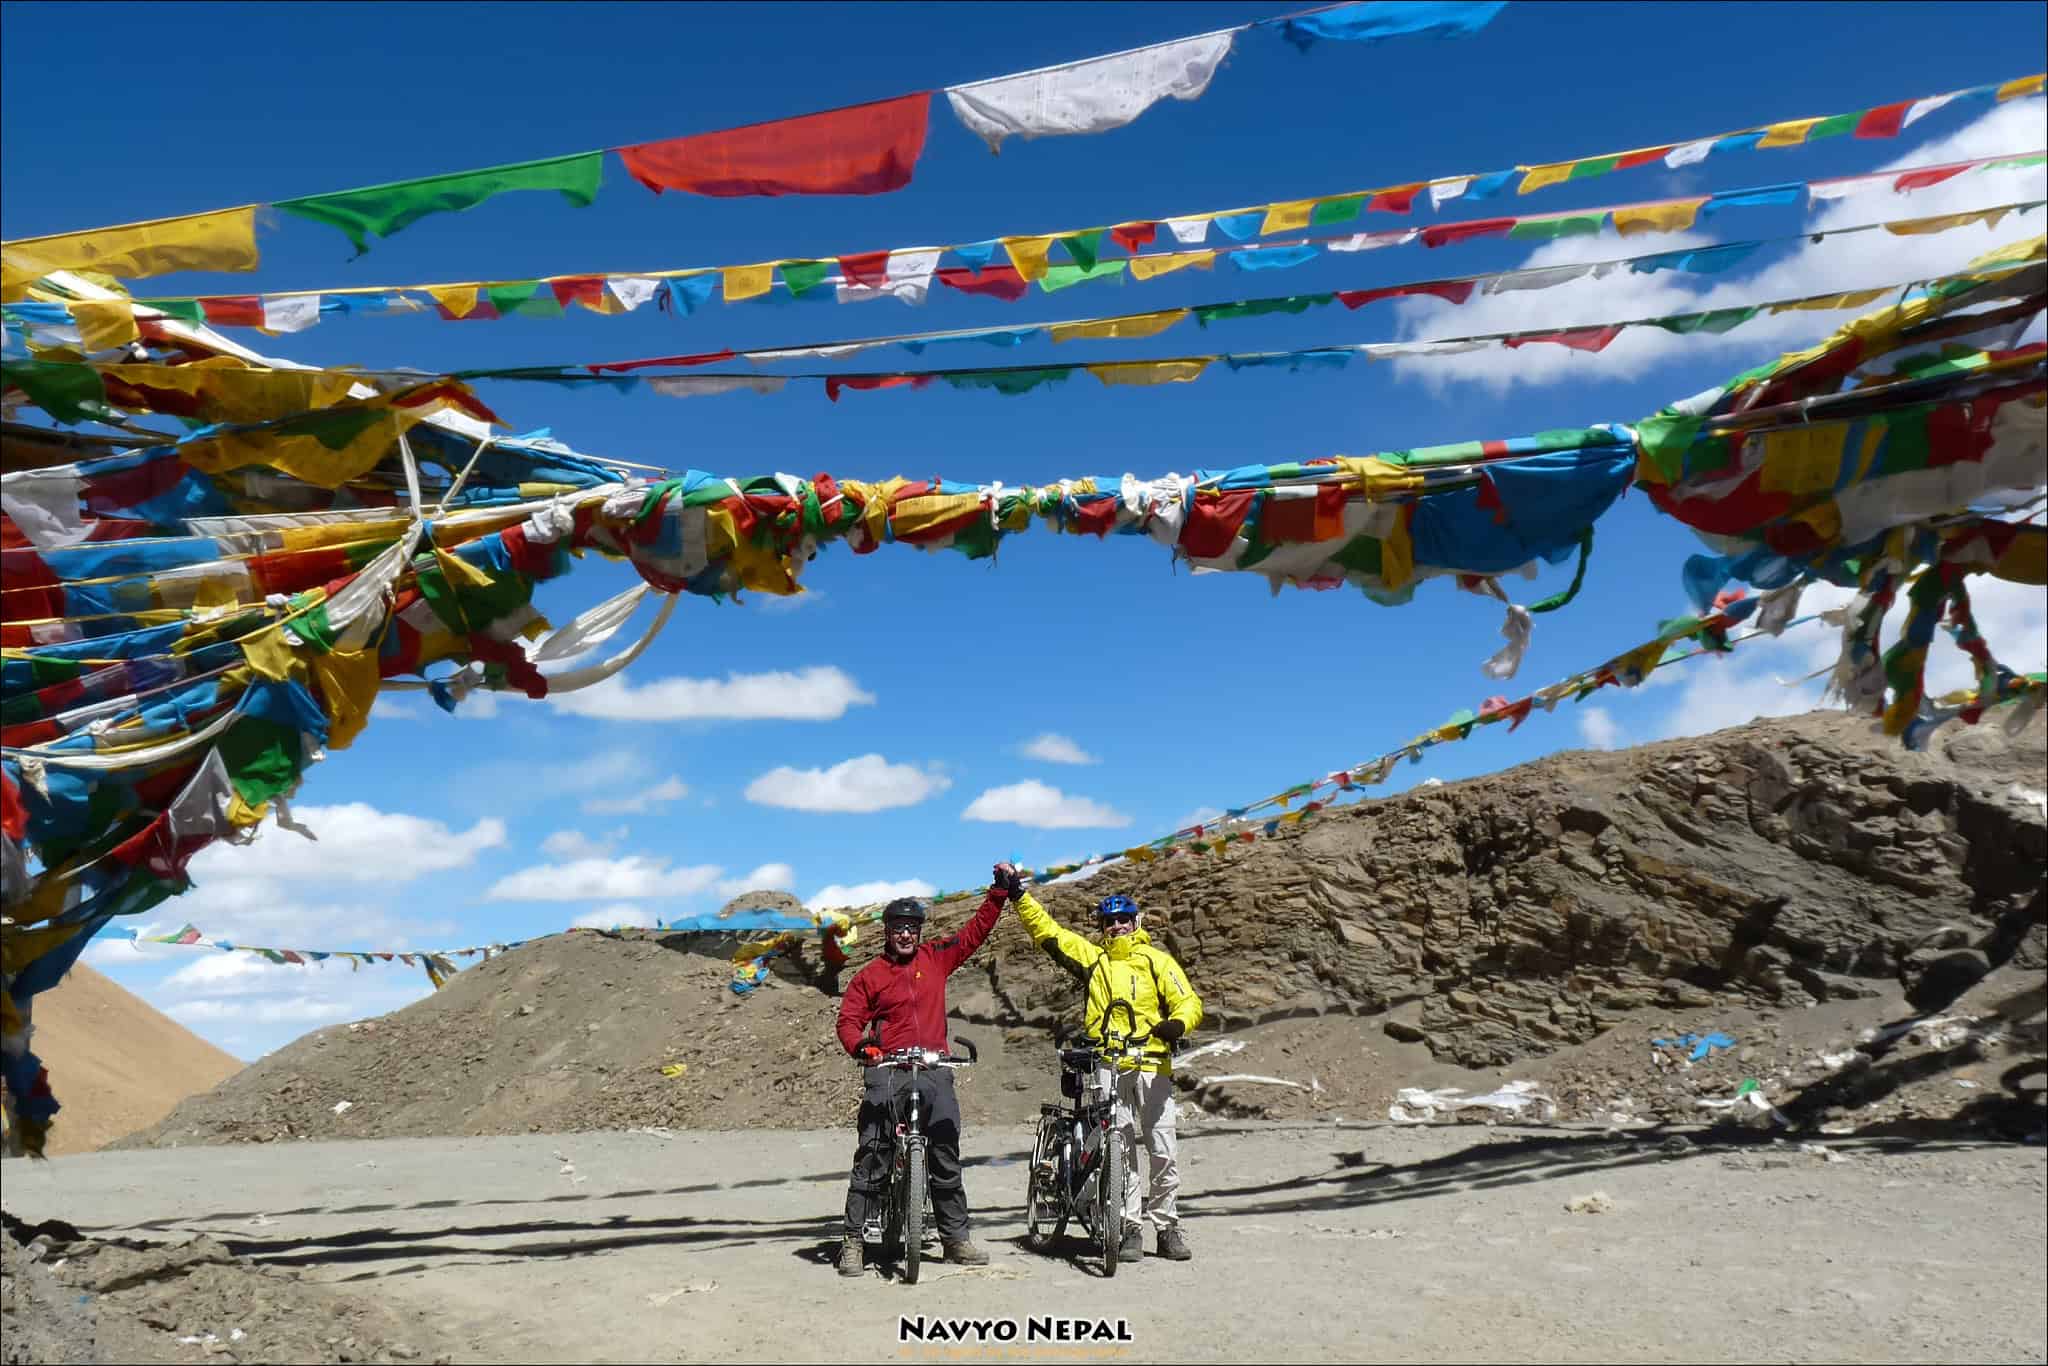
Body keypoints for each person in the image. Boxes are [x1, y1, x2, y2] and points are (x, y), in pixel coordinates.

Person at [1004, 870, 1203, 1264]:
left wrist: (1178, 1024)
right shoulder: (1095, 960)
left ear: (1136, 921)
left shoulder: (1157, 962)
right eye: (1109, 922)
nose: (1116, 927)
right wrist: (1018, 895)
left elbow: (1188, 1001)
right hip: (1107, 1065)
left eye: (1123, 919)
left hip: (1151, 1064)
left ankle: (1167, 1227)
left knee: (1163, 1150)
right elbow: (1050, 933)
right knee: (1119, 1151)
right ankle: (1129, 1227)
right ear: (1102, 927)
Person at [832, 868, 1011, 1277]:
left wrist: (998, 894)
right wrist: (862, 1047)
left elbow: (974, 934)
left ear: (919, 932)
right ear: (887, 932)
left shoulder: (936, 958)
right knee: (873, 1154)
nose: (905, 935)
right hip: (887, 1068)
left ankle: (955, 1240)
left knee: (945, 1154)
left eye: (911, 928)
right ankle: (853, 1241)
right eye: (898, 928)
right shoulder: (870, 976)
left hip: (933, 1067)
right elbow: (848, 1021)